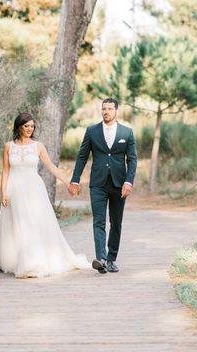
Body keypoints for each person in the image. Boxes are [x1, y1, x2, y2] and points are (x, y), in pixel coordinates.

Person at [0, 112, 90, 278]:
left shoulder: (38, 146)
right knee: (18, 223)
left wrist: (69, 182)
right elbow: (5, 171)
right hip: (14, 189)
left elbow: (51, 167)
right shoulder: (8, 146)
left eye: (32, 126)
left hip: (34, 189)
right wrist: (3, 192)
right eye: (26, 126)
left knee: (33, 223)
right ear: (19, 127)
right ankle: (17, 259)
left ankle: (32, 262)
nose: (29, 129)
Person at [69, 98, 137, 274]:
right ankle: (101, 258)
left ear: (116, 111)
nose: (106, 111)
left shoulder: (127, 133)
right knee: (98, 221)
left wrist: (129, 181)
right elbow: (82, 156)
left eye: (109, 109)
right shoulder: (92, 131)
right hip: (97, 184)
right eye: (104, 109)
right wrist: (75, 180)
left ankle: (112, 258)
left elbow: (132, 159)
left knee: (116, 222)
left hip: (119, 184)